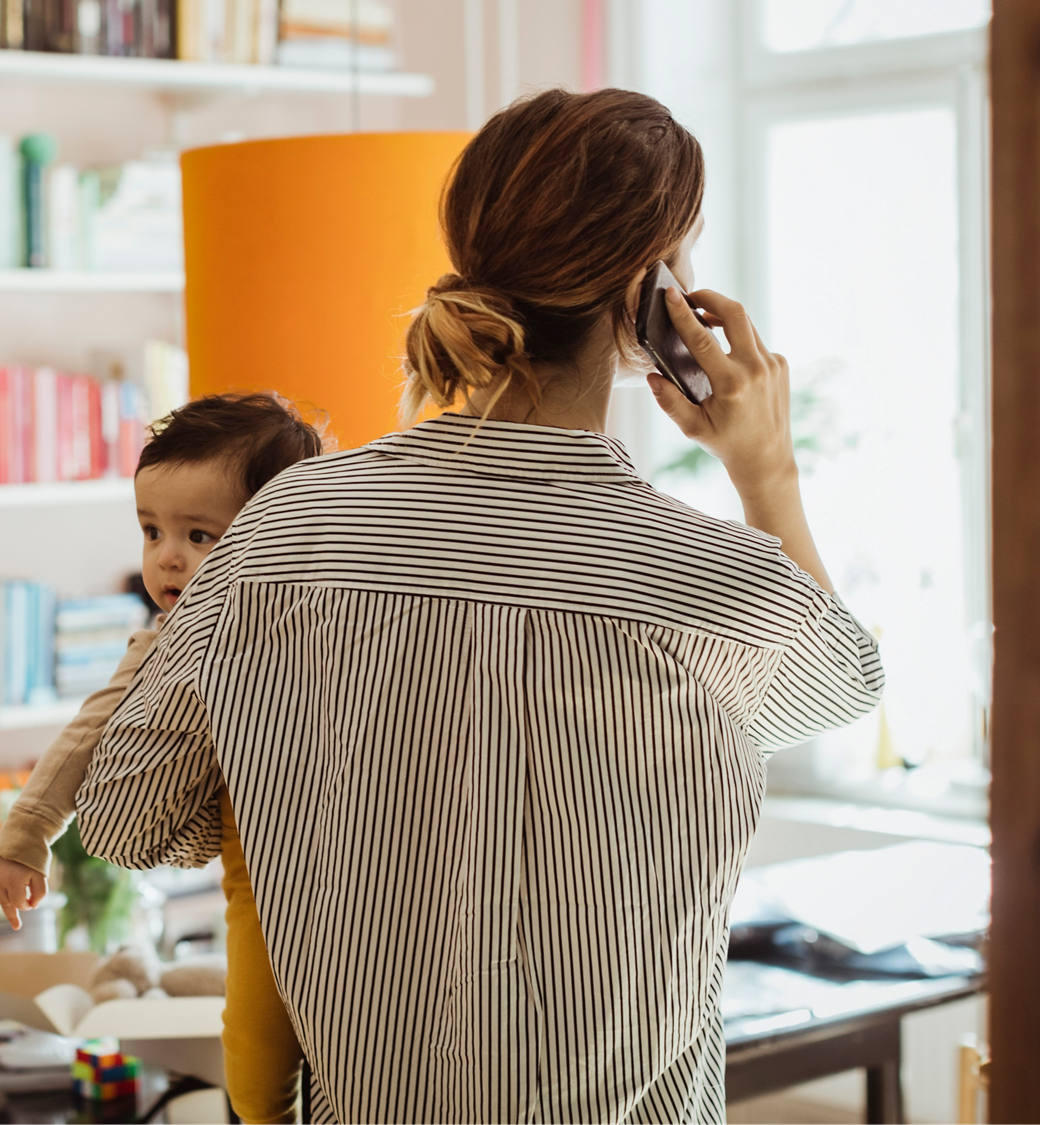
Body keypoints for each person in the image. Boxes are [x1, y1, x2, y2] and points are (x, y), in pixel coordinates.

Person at [72, 87, 885, 1124]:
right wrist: (767, 472)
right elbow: (841, 685)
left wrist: (311, 778)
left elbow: (130, 818)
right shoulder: (704, 578)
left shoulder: (284, 527)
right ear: (651, 295)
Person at [0, 393, 323, 1124]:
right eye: (153, 530)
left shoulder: (330, 613)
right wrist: (25, 836)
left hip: (363, 866)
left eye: (200, 534)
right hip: (257, 880)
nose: (167, 556)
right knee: (256, 1055)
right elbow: (91, 727)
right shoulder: (166, 638)